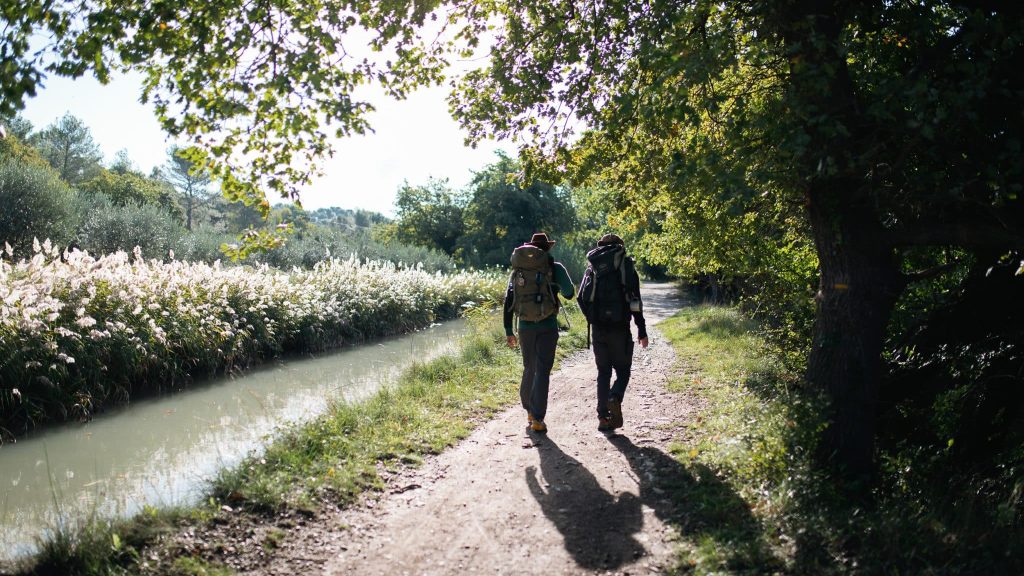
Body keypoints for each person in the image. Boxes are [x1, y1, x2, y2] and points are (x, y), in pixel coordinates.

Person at [504, 232, 575, 433]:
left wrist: (509, 330)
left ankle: (528, 409)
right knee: (543, 371)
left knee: (529, 367)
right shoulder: (555, 267)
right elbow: (570, 294)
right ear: (547, 249)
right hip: (548, 325)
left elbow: (509, 300)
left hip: (525, 326)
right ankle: (537, 417)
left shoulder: (518, 270)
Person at [577, 234, 648, 432]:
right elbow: (635, 301)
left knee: (603, 373)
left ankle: (603, 418)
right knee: (623, 371)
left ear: (600, 247)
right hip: (620, 327)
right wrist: (641, 329)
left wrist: (591, 317)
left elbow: (581, 297)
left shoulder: (592, 268)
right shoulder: (626, 266)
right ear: (620, 246)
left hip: (599, 328)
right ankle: (614, 396)